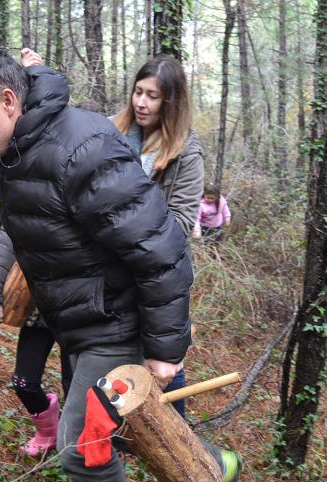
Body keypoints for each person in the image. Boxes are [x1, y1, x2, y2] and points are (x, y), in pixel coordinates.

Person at [0, 48, 240, 482]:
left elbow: (162, 247)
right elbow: (21, 231)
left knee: (81, 448)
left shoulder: (82, 149)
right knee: (112, 435)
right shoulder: (15, 151)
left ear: (7, 101)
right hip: (80, 323)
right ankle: (211, 465)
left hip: (117, 322)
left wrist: (166, 348)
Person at [110, 55, 205, 418]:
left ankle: (179, 441)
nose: (141, 102)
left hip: (160, 276)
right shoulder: (111, 133)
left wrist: (121, 221)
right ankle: (113, 440)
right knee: (110, 354)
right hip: (110, 272)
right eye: (138, 92)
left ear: (170, 102)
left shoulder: (185, 152)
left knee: (164, 361)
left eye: (152, 96)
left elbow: (180, 223)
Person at [0, 230, 73, 457]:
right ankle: (48, 432)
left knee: (76, 387)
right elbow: (7, 241)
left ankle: (77, 442)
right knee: (23, 382)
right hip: (40, 312)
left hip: (81, 315)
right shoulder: (33, 197)